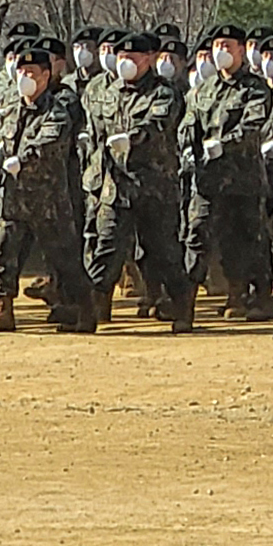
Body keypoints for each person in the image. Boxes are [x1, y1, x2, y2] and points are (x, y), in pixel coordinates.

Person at [0, 35, 96, 333]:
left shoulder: (56, 111)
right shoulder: (9, 111)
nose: (26, 77)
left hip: (47, 199)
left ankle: (83, 308)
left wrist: (23, 159)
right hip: (12, 198)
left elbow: (49, 142)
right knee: (3, 251)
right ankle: (1, 308)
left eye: (32, 72)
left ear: (47, 75)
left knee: (63, 257)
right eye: (22, 72)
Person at [87, 28, 196, 333]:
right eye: (122, 56)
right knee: (106, 247)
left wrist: (132, 138)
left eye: (132, 56)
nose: (126, 62)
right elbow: (97, 135)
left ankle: (182, 306)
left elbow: (159, 122)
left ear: (148, 58)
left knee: (162, 250)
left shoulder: (163, 92)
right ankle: (91, 309)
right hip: (115, 186)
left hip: (153, 187)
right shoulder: (108, 93)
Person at [180, 24, 273, 319]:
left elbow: (254, 124)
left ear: (241, 50)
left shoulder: (255, 88)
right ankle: (185, 298)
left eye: (228, 45)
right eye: (217, 45)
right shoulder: (203, 89)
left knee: (245, 238)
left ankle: (250, 295)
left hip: (242, 178)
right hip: (207, 180)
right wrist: (188, 145)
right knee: (196, 234)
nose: (221, 51)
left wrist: (224, 144)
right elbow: (189, 122)